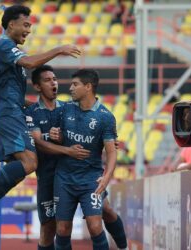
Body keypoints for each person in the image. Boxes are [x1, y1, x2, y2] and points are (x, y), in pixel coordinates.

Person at [0, 4, 81, 241]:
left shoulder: (8, 49)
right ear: (11, 25)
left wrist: (29, 104)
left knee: (16, 173)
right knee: (30, 162)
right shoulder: (4, 44)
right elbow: (29, 63)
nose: (29, 29)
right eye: (26, 24)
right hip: (8, 115)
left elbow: (11, 89)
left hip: (11, 111)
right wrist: (58, 49)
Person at [26, 65, 127, 250]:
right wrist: (59, 137)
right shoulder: (59, 110)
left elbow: (111, 149)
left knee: (101, 218)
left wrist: (109, 152)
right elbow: (41, 130)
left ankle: (123, 247)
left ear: (87, 87)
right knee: (57, 228)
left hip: (89, 176)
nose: (67, 87)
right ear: (37, 86)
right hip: (58, 177)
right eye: (48, 80)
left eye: (74, 84)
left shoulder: (99, 115)